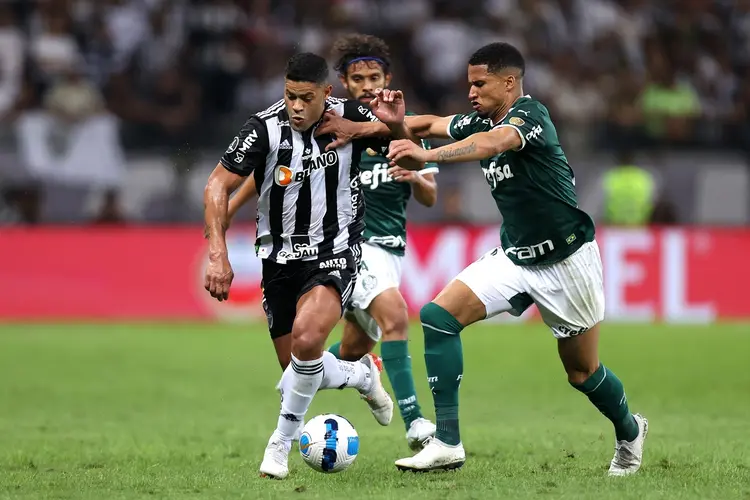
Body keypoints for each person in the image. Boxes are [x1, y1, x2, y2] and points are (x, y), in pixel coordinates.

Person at [322, 42, 649, 477]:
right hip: (516, 256)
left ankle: (630, 431)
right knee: (438, 317)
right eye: (469, 84)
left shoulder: (530, 117)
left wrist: (426, 154)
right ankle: (447, 443)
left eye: (480, 83)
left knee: (582, 372)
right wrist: (383, 126)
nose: (472, 92)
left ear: (509, 82)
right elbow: (431, 122)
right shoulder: (480, 117)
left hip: (568, 260)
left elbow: (490, 144)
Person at [203, 52, 423, 479]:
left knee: (307, 343)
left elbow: (408, 155)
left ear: (327, 93)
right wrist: (218, 252)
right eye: (290, 97)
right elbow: (216, 183)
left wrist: (393, 124)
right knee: (297, 372)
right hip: (277, 260)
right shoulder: (263, 128)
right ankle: (361, 375)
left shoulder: (353, 115)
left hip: (335, 251)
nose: (297, 107)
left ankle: (280, 445)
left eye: (306, 98)